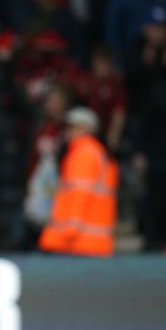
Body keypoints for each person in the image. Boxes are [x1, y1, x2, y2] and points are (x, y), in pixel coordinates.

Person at [38, 107, 117, 256]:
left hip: (78, 243)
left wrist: (66, 235)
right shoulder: (96, 152)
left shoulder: (84, 153)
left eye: (73, 127)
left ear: (87, 128)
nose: (68, 132)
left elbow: (79, 195)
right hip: (91, 242)